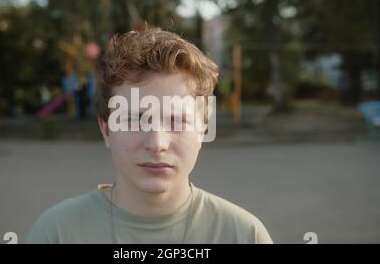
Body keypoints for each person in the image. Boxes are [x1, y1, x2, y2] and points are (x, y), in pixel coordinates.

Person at [26, 27, 272, 244]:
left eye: (177, 121)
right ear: (106, 130)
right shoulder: (56, 234)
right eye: (134, 119)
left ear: (202, 129)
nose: (157, 144)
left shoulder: (244, 235)